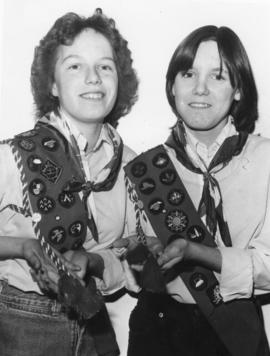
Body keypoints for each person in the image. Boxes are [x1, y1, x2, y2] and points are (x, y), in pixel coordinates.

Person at [117, 25, 270, 356]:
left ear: (238, 88)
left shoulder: (265, 160)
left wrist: (198, 253)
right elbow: (128, 266)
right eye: (188, 74)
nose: (200, 89)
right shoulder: (144, 166)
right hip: (156, 327)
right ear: (173, 85)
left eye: (217, 76)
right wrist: (137, 256)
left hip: (233, 331)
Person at [0, 8, 139, 356]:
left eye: (105, 66)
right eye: (75, 66)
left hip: (95, 324)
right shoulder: (11, 156)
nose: (93, 78)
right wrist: (23, 248)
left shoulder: (131, 165)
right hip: (22, 321)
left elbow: (133, 250)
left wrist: (91, 262)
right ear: (52, 83)